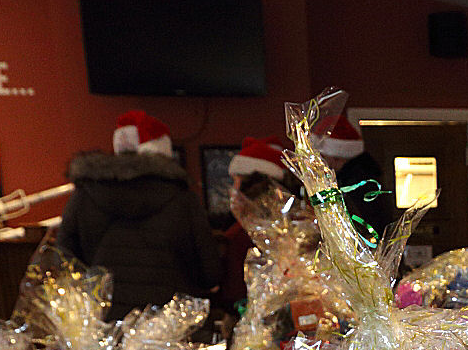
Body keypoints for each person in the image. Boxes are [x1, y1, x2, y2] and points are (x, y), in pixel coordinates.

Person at [57, 110, 223, 322]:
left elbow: (63, 260)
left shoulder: (85, 195)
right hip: (169, 321)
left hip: (103, 319)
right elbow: (210, 273)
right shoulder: (183, 198)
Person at [219, 137, 296, 306]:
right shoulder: (295, 225)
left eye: (237, 182)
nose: (233, 191)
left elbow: (234, 292)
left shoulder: (245, 234)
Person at [315, 113, 396, 243]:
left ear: (336, 155)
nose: (320, 162)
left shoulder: (357, 183)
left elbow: (365, 230)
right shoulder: (358, 176)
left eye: (323, 156)